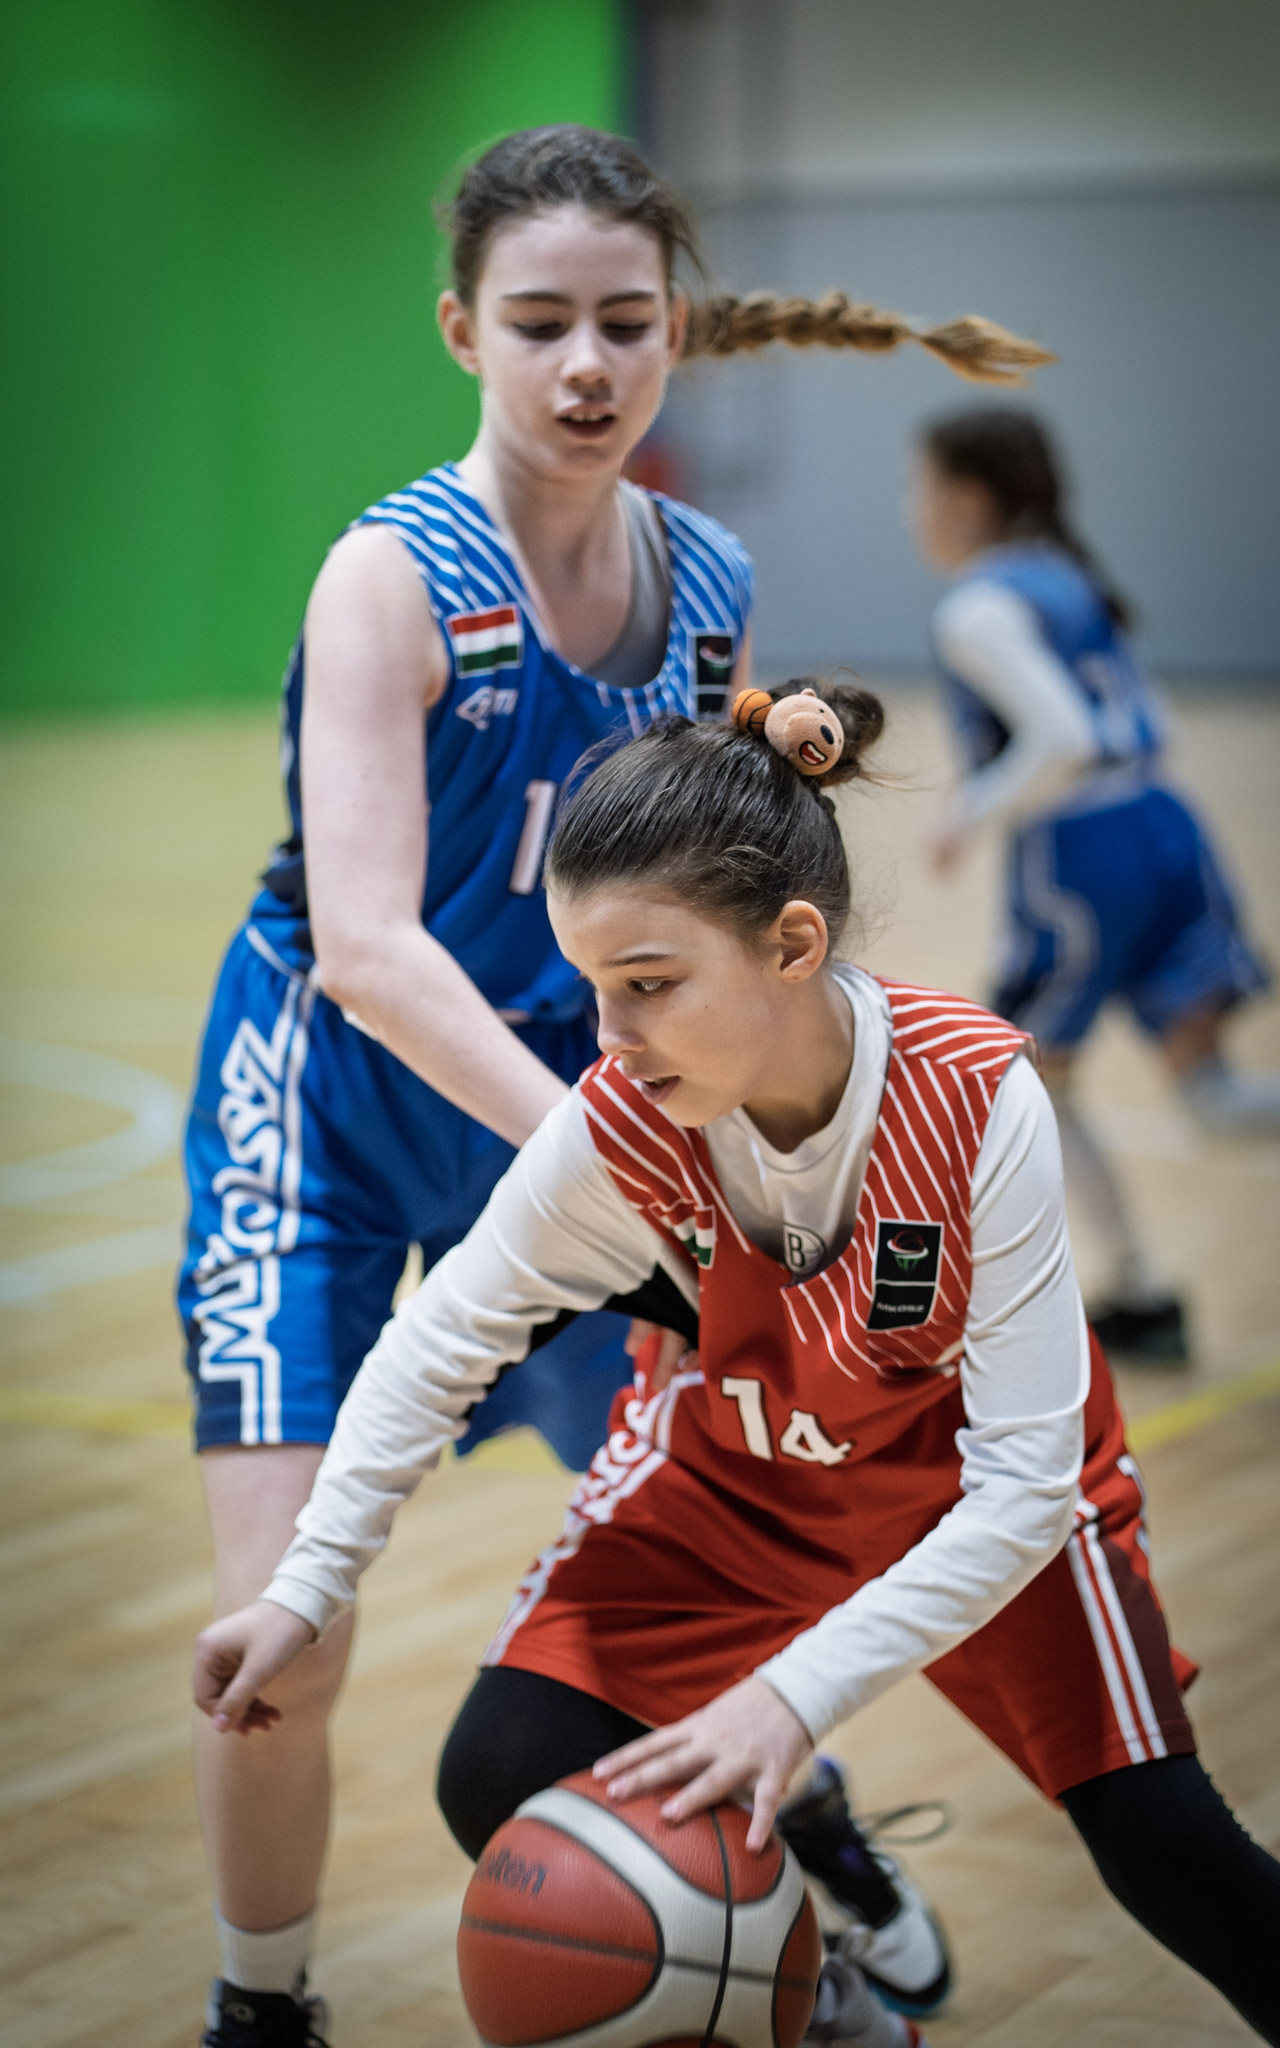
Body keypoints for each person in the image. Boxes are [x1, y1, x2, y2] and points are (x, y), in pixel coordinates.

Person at [180, 126, 1050, 2048]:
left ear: (680, 332)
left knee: (698, 1564)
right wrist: (625, 1158)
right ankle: (262, 2005)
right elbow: (370, 947)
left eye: (627, 321)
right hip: (337, 1124)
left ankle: (806, 1839)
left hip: (587, 1116)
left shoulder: (708, 578)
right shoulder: (390, 579)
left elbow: (727, 889)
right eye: (539, 321)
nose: (587, 362)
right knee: (287, 1623)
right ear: (461, 331)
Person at [193, 684, 1280, 2048]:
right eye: (593, 990)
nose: (609, 1038)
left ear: (791, 944)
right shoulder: (620, 1122)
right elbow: (437, 1340)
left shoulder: (974, 1094)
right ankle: (815, 2001)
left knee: (1168, 1847)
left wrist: (789, 1697)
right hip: (739, 1479)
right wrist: (303, 1589)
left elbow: (1023, 1488)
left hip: (970, 1499)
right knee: (507, 1774)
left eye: (648, 985)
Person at [911, 407, 1280, 1361]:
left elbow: (1065, 739)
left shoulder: (976, 606)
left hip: (1083, 859)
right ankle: (1133, 1290)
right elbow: (1147, 720)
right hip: (1167, 824)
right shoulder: (1069, 578)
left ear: (965, 499)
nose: (915, 512)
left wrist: (966, 813)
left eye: (921, 489)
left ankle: (1134, 1290)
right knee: (1212, 1095)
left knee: (1021, 1084)